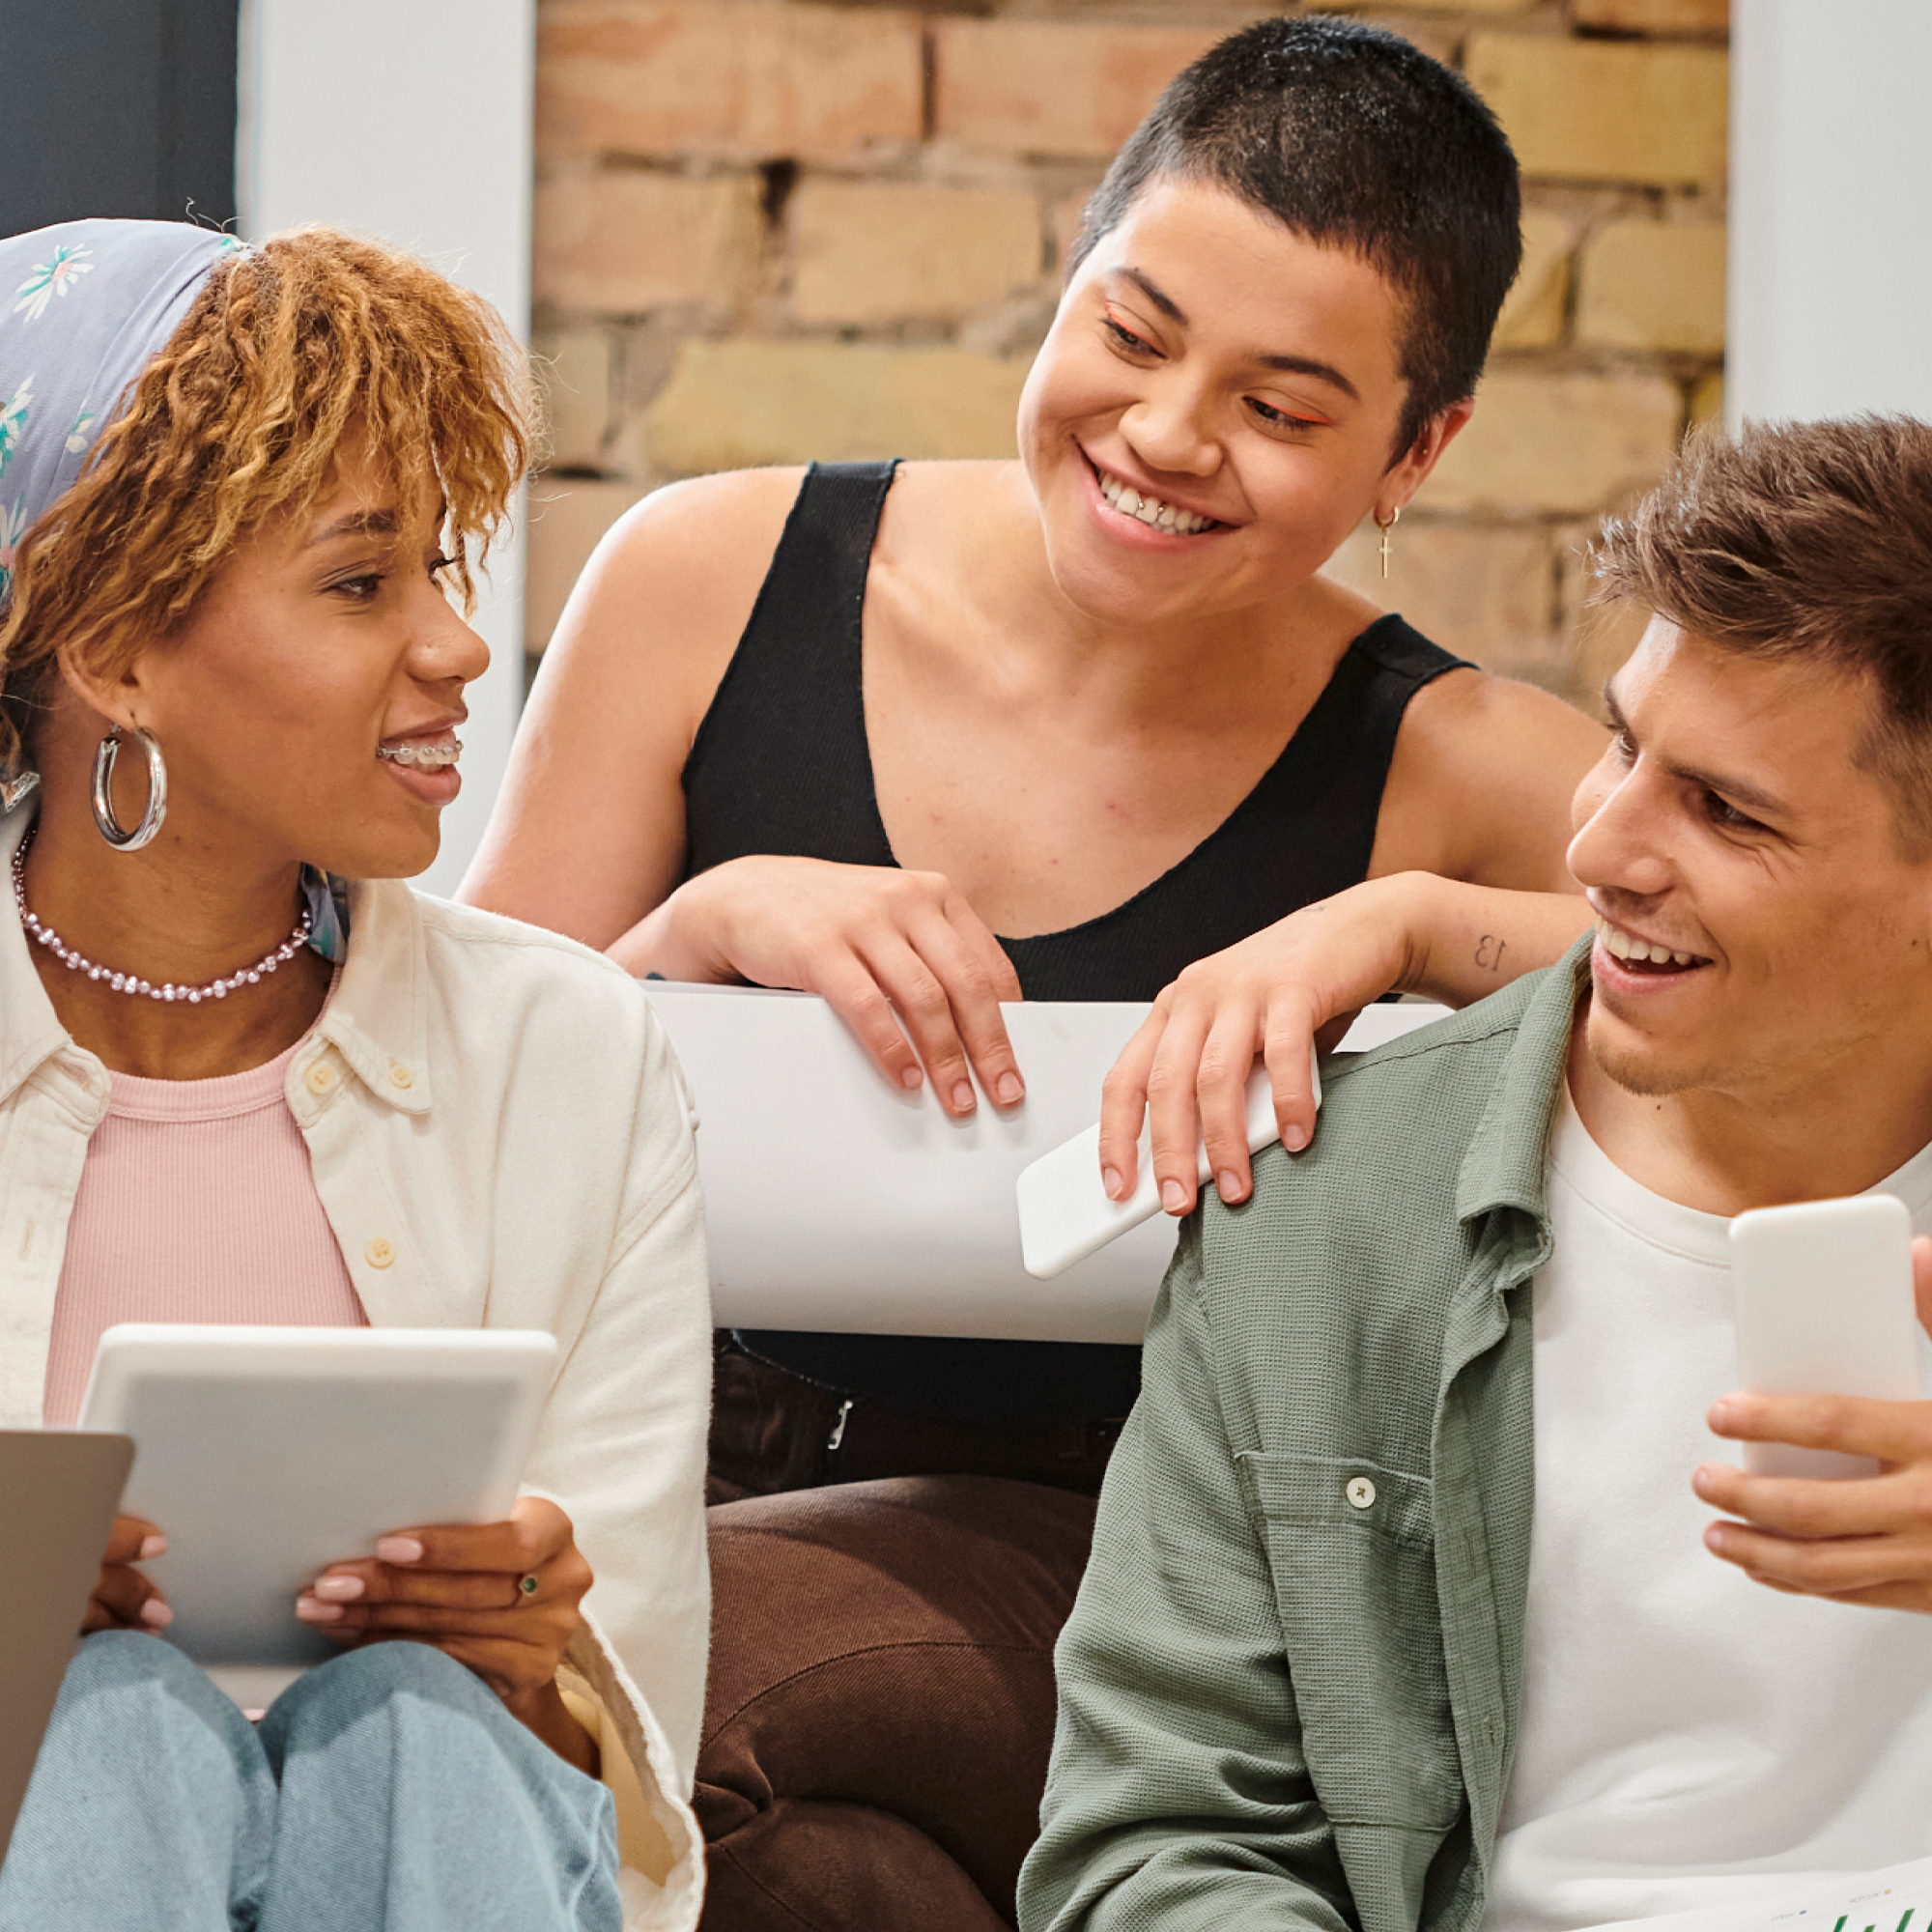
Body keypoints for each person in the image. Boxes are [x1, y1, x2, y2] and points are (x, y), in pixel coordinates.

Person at [464, 16, 1605, 1928]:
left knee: (600, 1703)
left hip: (1118, 1545)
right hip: (651, 1445)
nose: (1165, 437)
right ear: (1067, 283)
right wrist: (692, 934)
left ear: (1419, 449)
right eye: (1135, 333)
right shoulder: (707, 573)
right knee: (803, 1875)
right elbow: (448, 1115)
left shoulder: (1449, 762)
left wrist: (1404, 928)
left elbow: (1807, 949)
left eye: (1283, 404)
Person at [1019, 415, 1932, 1932]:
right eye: (1627, 742)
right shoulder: (1321, 1207)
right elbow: (1155, 1843)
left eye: (1726, 811)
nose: (1601, 846)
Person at [0, 219, 710, 1931]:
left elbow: (636, 1784)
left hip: (441, 1853)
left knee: (414, 1729)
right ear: (112, 657)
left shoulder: (572, 1055)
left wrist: (537, 1660)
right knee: (105, 1726)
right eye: (359, 581)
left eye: (444, 570)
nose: (460, 647)